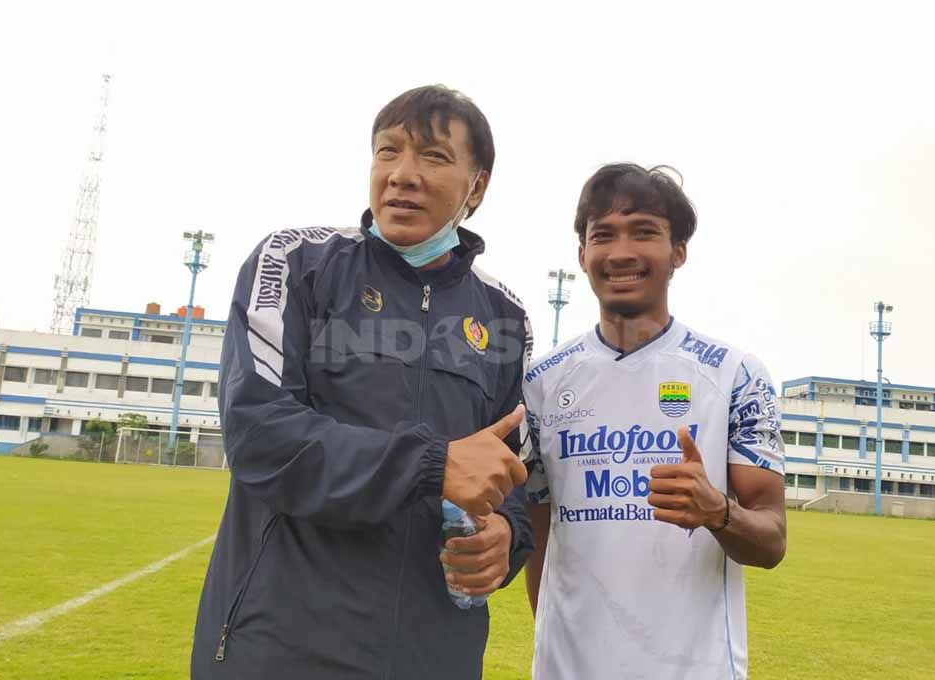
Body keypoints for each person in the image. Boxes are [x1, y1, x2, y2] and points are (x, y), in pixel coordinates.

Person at [190, 85, 534, 679]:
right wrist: (430, 464)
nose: (402, 175)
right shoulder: (295, 263)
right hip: (282, 651)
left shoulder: (506, 317)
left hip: (437, 657)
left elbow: (513, 475)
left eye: (433, 156)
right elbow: (258, 433)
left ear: (477, 186)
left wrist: (506, 537)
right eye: (387, 151)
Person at [522, 163, 787, 680]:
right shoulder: (540, 384)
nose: (621, 252)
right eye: (603, 235)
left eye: (644, 232)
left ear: (678, 252)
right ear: (582, 255)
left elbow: (773, 540)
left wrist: (718, 512)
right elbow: (537, 540)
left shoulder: (735, 376)